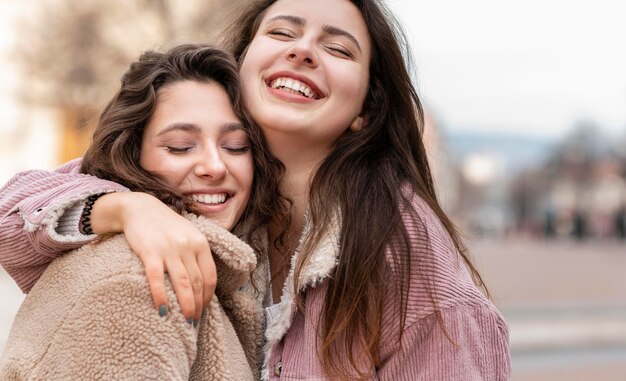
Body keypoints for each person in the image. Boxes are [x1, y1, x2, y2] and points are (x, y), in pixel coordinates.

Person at [0, 0, 511, 379]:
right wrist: (125, 209)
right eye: (283, 31)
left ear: (366, 111)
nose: (303, 50)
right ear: (243, 66)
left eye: (337, 48)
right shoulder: (213, 189)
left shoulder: (413, 269)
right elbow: (10, 215)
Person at [0, 44, 281, 380]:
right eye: (179, 147)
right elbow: (11, 214)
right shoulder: (138, 281)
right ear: (132, 156)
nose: (214, 166)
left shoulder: (237, 251)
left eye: (236, 147)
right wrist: (124, 207)